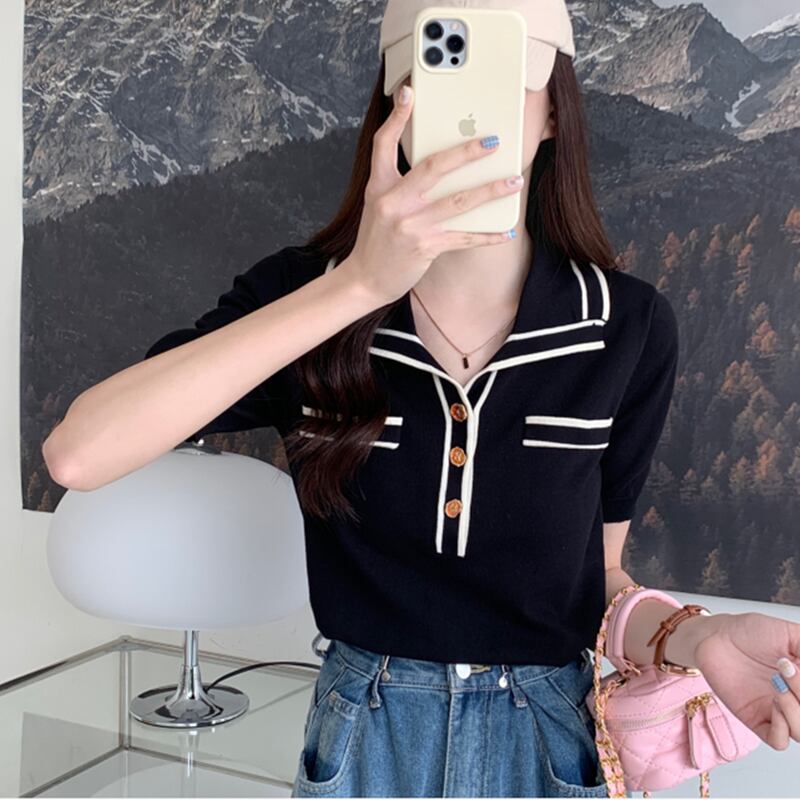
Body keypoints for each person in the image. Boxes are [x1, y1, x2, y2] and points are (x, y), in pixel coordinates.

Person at [43, 0, 800, 796]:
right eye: (440, 78)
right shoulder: (306, 296)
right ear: (395, 110)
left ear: (553, 112)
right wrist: (358, 285)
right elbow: (78, 453)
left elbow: (598, 582)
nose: (473, 113)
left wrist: (694, 637)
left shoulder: (626, 325)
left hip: (547, 738)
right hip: (362, 734)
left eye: (505, 79)